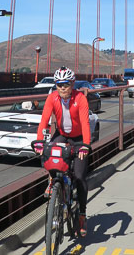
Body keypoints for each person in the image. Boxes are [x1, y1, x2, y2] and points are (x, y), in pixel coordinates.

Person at [34, 66, 91, 236]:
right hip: (62, 135)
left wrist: (85, 145)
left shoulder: (80, 98)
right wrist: (39, 142)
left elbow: (85, 123)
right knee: (49, 152)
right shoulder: (52, 98)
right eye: (59, 84)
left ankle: (81, 215)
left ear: (72, 84)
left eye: (65, 84)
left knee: (79, 176)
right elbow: (44, 121)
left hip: (79, 138)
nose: (62, 88)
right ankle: (53, 182)